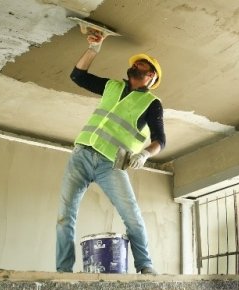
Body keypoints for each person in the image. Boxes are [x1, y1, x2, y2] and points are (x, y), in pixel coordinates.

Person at [56, 29, 165, 275]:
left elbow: (161, 140)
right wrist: (94, 48)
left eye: (141, 65)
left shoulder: (151, 103)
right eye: (135, 63)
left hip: (110, 164)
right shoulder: (112, 86)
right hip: (82, 155)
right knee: (65, 216)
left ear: (150, 76)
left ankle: (145, 266)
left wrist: (145, 154)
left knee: (133, 216)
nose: (135, 65)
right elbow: (77, 75)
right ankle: (63, 270)